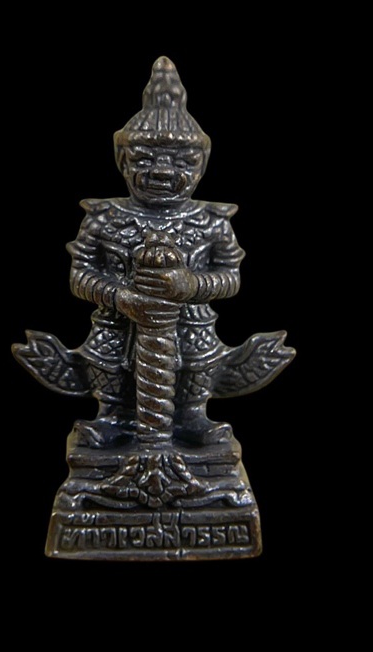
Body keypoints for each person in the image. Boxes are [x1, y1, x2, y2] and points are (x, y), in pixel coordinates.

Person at [67, 56, 245, 447]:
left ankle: (192, 417)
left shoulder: (211, 220)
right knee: (109, 357)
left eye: (182, 162)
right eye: (145, 159)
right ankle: (113, 417)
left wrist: (192, 285)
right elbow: (80, 275)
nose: (163, 171)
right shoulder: (104, 217)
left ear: (201, 166)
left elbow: (231, 276)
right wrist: (120, 297)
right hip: (119, 318)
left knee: (196, 360)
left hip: (189, 321)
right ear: (122, 160)